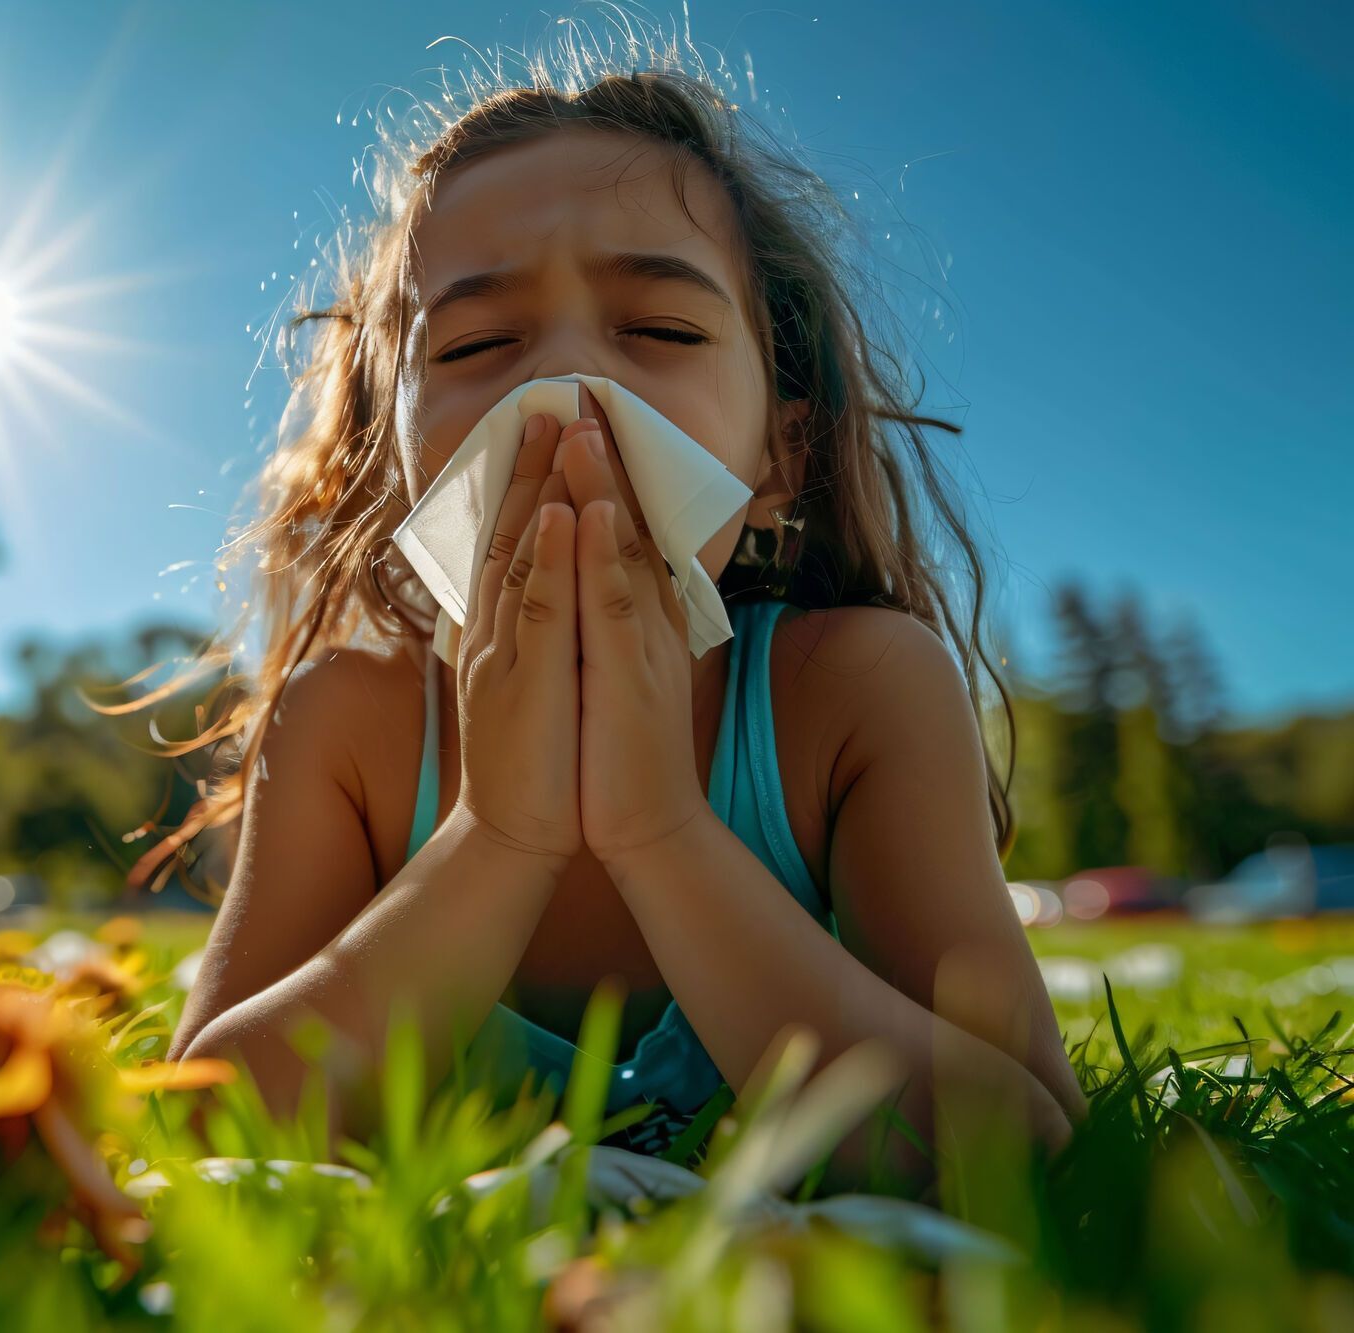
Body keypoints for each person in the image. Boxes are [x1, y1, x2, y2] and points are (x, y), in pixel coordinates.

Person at [156, 48, 1088, 1191]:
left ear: (777, 456)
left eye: (658, 329)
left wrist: (660, 830)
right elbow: (203, 1130)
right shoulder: (350, 726)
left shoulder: (851, 695)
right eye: (475, 346)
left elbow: (1023, 1147)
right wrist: (497, 837)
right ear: (392, 465)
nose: (564, 384)